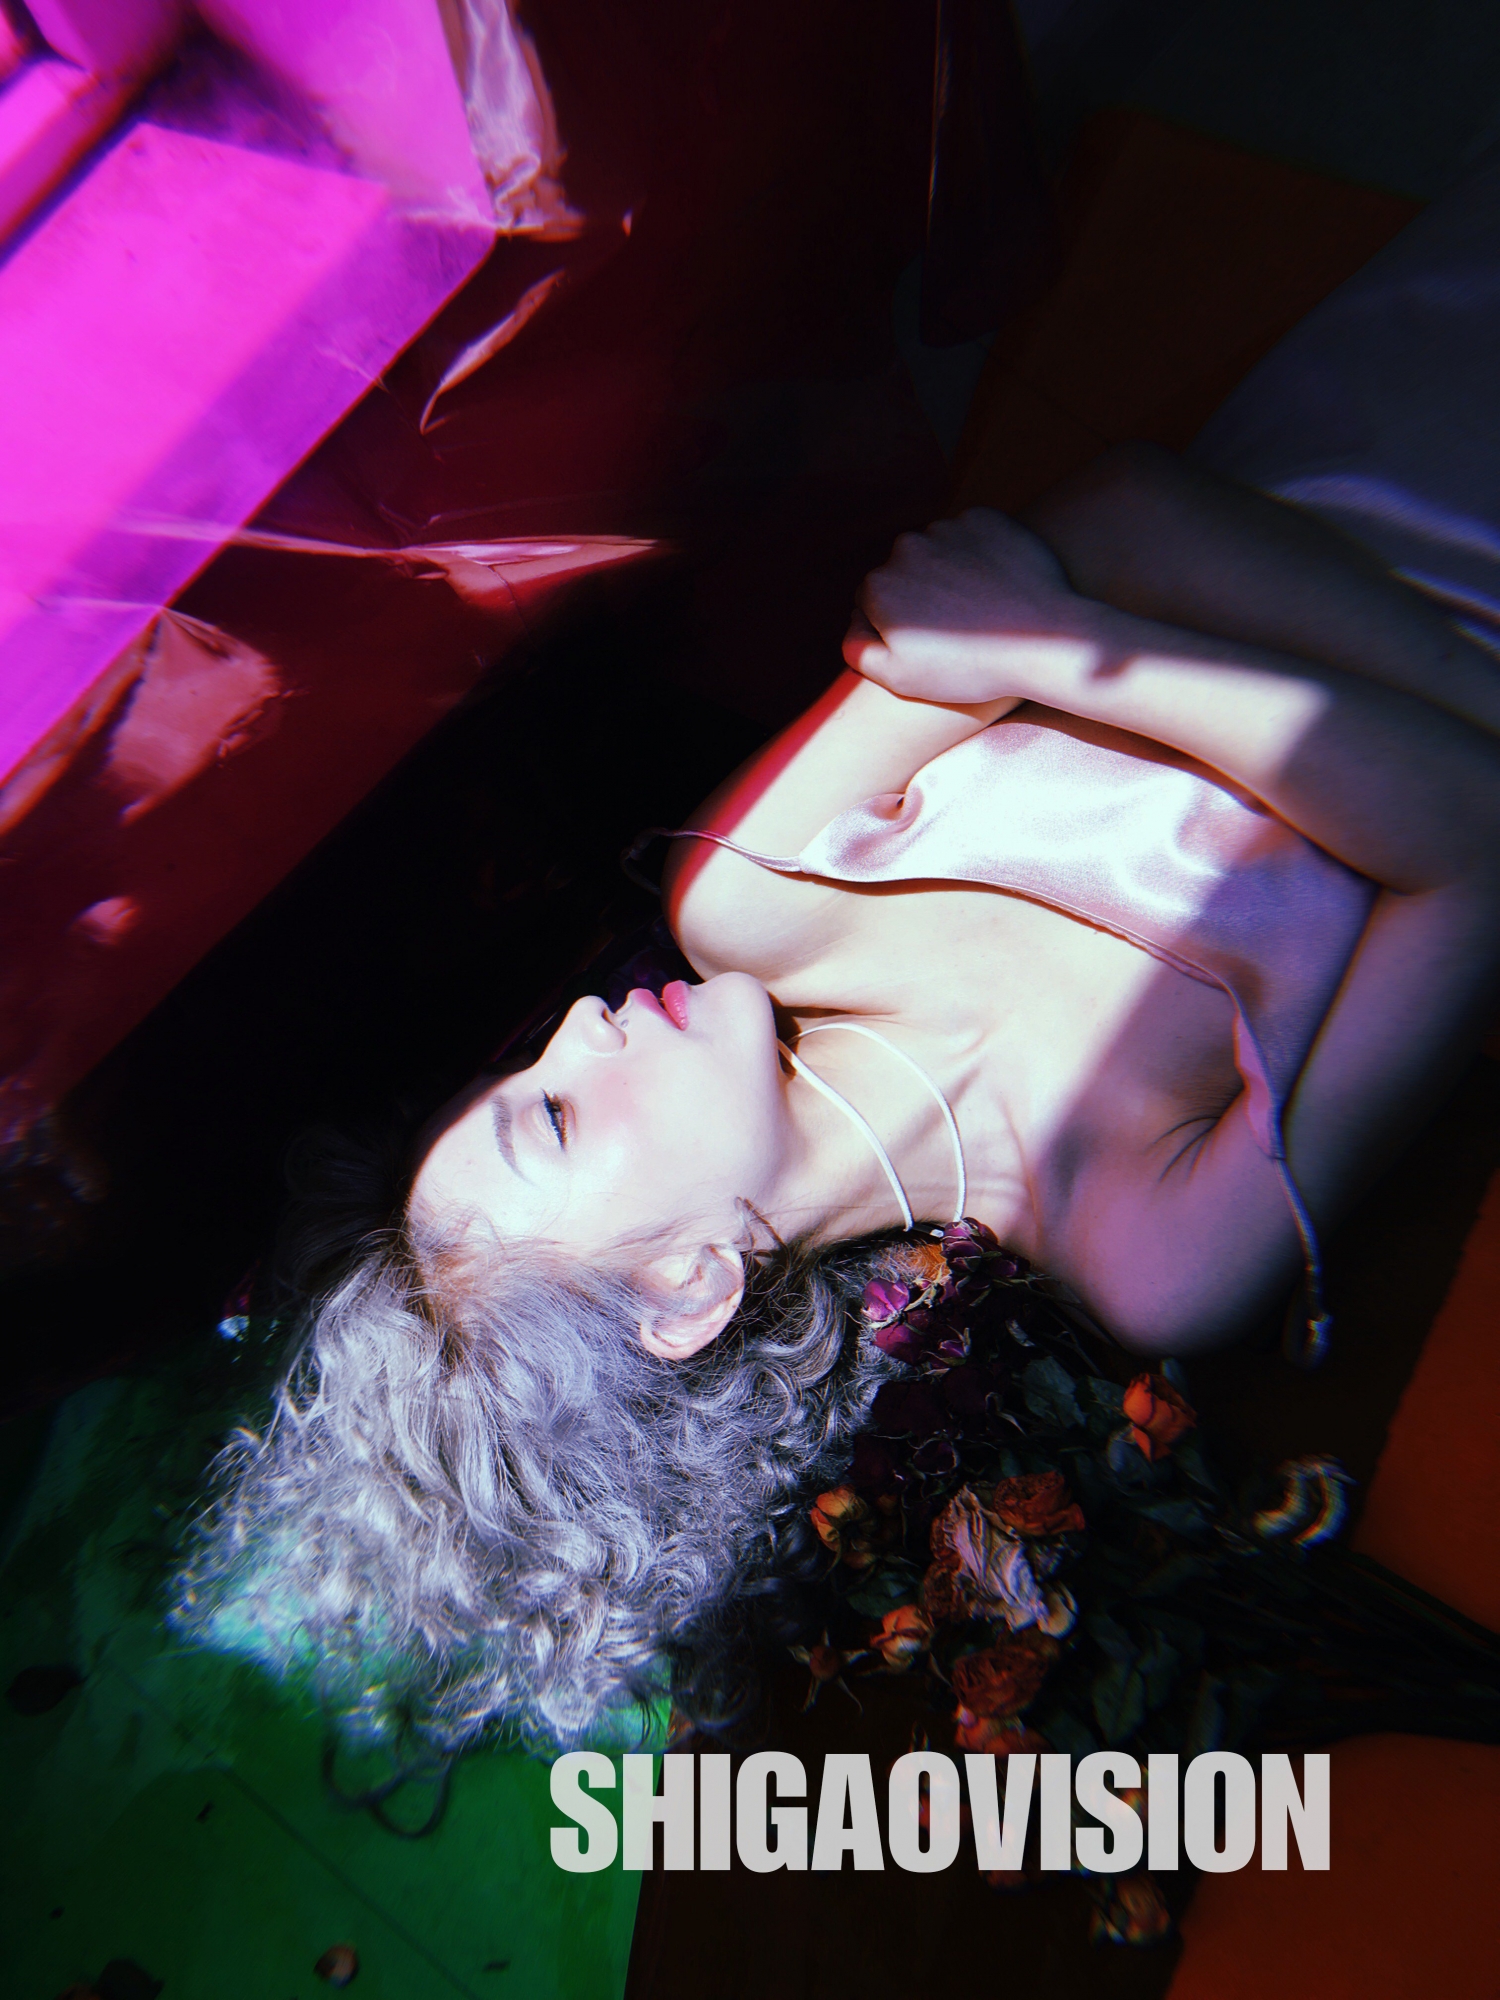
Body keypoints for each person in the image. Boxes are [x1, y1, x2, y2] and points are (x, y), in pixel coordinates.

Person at [176, 151, 1500, 1747]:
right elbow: (1480, 855)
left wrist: (1410, 734)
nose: (579, 1024)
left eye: (523, 1068)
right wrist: (1091, 650)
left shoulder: (748, 897)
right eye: (555, 1114)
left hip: (1386, 417)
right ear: (682, 1287)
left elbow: (1133, 509)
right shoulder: (1158, 1249)